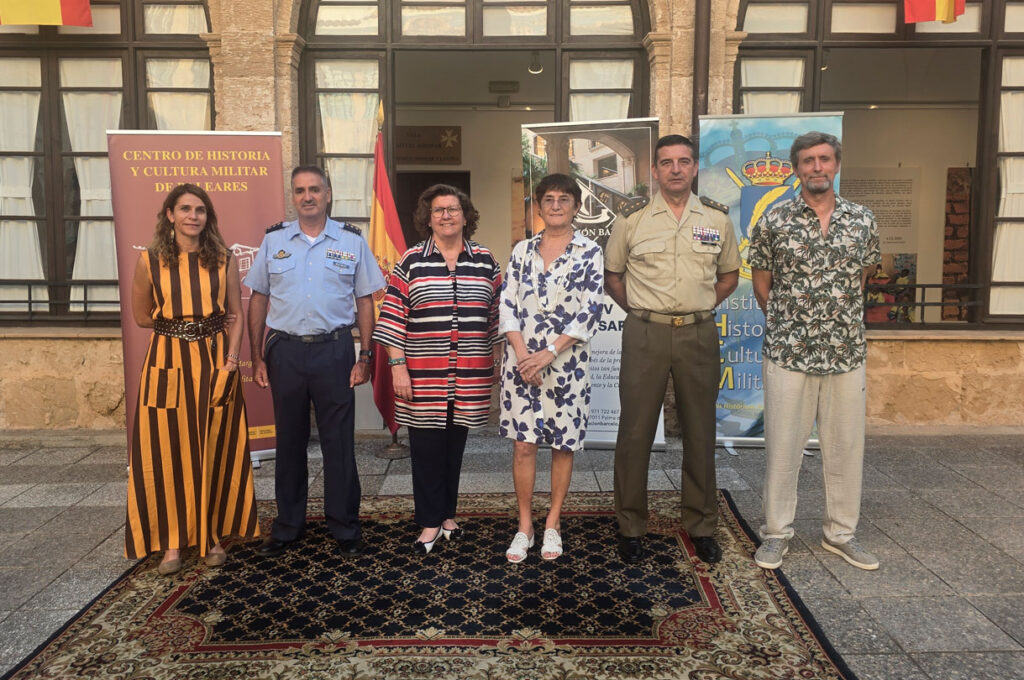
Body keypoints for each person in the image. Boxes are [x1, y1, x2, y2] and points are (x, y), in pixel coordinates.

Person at [605, 134, 740, 565]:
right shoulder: (632, 220)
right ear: (655, 170)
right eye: (667, 162)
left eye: (684, 161)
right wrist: (643, 311)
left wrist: (699, 306)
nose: (676, 169)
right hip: (645, 333)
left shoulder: (717, 218)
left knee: (700, 430)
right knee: (635, 431)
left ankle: (701, 524)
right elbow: (613, 277)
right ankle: (630, 525)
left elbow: (729, 276)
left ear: (695, 168)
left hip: (698, 334)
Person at [749, 131, 881, 572]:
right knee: (782, 446)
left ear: (836, 165)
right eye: (808, 160)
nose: (817, 167)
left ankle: (841, 534)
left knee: (845, 446)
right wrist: (793, 322)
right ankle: (776, 533)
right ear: (796, 168)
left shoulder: (862, 220)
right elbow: (762, 286)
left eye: (824, 159)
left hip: (845, 350)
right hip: (788, 351)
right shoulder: (774, 220)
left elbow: (863, 277)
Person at [245, 165, 385, 558]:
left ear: (328, 194)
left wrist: (365, 355)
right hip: (285, 351)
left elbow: (365, 301)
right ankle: (288, 526)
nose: (307, 196)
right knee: (289, 441)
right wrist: (256, 356)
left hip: (334, 350)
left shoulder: (351, 241)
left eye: (315, 189)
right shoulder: (273, 241)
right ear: (293, 196)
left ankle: (345, 526)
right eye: (300, 190)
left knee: (338, 442)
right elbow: (258, 297)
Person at [125, 183, 260, 574]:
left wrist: (231, 360)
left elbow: (235, 314)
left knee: (213, 446)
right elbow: (141, 316)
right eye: (185, 209)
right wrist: (181, 328)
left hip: (215, 362)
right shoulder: (149, 261)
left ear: (208, 217)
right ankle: (171, 543)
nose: (193, 216)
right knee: (166, 450)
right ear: (170, 215)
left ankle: (211, 535)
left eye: (200, 210)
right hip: (166, 363)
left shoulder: (223, 259)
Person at [372, 185, 503, 554]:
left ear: (465, 215)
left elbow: (497, 314)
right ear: (427, 219)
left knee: (454, 449)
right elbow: (393, 316)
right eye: (438, 210)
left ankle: (447, 515)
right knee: (427, 449)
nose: (447, 215)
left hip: (469, 374)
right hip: (422, 375)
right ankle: (429, 521)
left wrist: (496, 359)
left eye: (453, 209)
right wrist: (398, 367)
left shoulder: (485, 260)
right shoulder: (412, 261)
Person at [499, 173, 605, 562]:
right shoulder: (521, 250)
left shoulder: (590, 252)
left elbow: (590, 310)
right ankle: (525, 526)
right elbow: (507, 304)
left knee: (563, 444)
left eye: (564, 199)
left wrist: (547, 353)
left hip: (566, 365)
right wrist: (523, 354)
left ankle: (553, 523)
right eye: (549, 199)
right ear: (539, 207)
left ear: (576, 206)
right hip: (521, 363)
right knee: (524, 445)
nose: (556, 205)